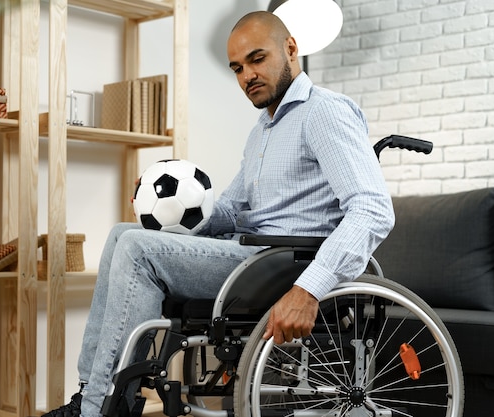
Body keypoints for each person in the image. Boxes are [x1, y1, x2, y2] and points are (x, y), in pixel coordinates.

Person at [42, 10, 395, 417]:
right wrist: (165, 210)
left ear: (291, 49)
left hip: (282, 265)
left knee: (138, 250)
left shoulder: (325, 112)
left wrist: (308, 289)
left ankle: (100, 409)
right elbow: (228, 210)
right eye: (237, 68)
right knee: (126, 232)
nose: (247, 76)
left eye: (257, 59)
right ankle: (91, 393)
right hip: (253, 255)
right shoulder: (263, 129)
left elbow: (372, 209)